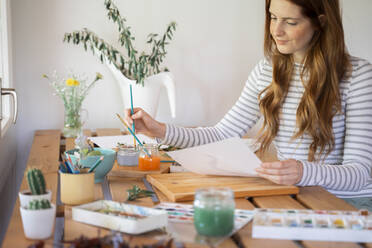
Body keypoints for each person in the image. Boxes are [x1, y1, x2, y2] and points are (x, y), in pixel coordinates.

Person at [124, 0, 372, 208]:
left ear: (321, 22)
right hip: (294, 196)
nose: (276, 30)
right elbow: (222, 134)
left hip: (349, 204)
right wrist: (160, 130)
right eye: (273, 17)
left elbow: (360, 174)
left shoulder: (359, 77)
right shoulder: (267, 70)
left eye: (291, 22)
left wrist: (303, 172)